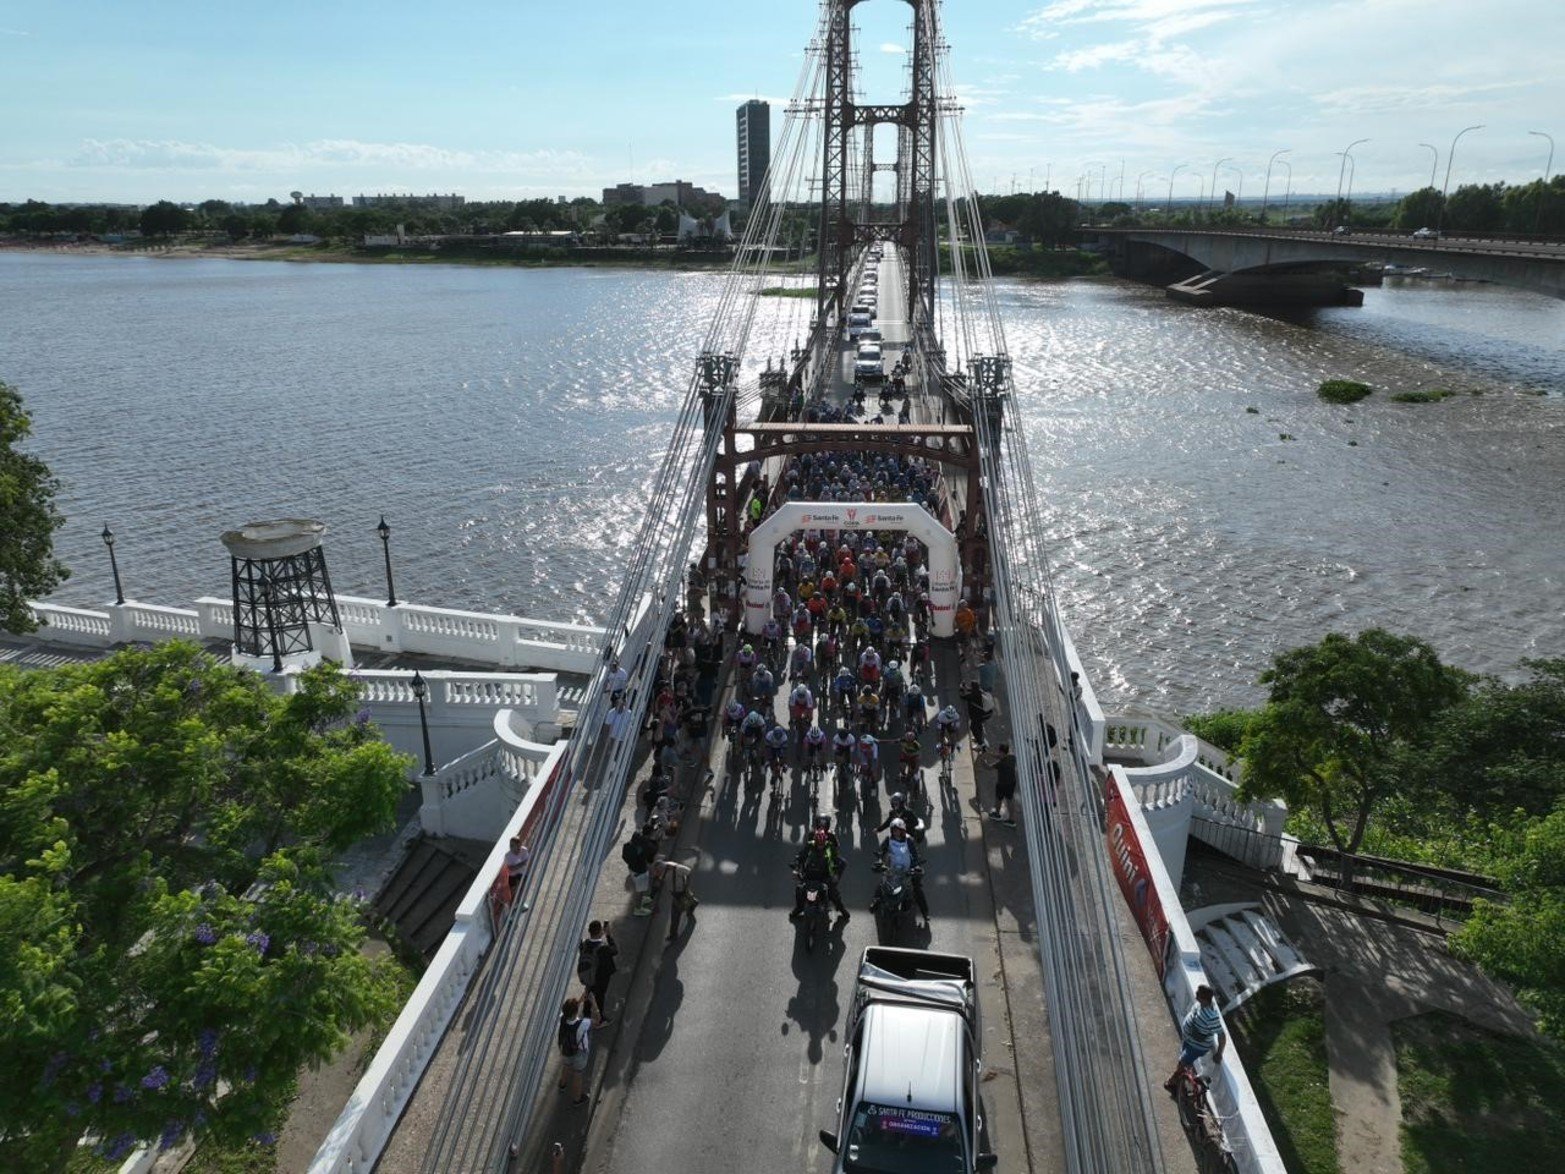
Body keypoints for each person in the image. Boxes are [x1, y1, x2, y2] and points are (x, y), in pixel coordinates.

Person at [1165, 985, 1227, 1093]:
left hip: (1197, 1046)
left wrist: (1219, 1053)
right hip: (1189, 1040)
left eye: (1198, 994)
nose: (1195, 994)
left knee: (1183, 1062)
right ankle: (1182, 1079)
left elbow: (1222, 1035)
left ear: (1204, 998)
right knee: (1184, 1061)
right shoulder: (1200, 1005)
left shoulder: (1211, 1017)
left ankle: (1172, 1082)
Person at [871, 819, 929, 927]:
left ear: (902, 830)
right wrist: (879, 861)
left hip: (907, 871)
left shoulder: (909, 840)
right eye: (894, 830)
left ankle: (925, 913)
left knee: (917, 889)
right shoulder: (888, 840)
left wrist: (916, 866)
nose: (895, 832)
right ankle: (875, 901)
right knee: (882, 884)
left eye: (897, 830)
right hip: (892, 869)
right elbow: (881, 851)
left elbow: (915, 855)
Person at [791, 824, 849, 918]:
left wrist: (836, 875)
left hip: (825, 876)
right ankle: (799, 908)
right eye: (818, 844)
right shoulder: (809, 846)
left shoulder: (830, 847)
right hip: (809, 875)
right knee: (799, 890)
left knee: (833, 893)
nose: (820, 847)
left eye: (822, 844)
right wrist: (796, 869)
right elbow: (800, 857)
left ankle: (841, 909)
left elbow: (838, 860)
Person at [556, 995, 595, 1106]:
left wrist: (579, 1000)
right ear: (575, 1012)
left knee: (566, 1065)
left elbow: (569, 1011)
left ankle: (562, 1084)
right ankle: (577, 1099)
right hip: (580, 1053)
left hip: (566, 1049)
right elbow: (597, 1020)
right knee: (578, 1074)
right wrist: (594, 1004)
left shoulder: (562, 1017)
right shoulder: (583, 1024)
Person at [576, 921, 618, 1026]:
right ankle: (600, 1020)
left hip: (588, 975)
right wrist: (609, 935)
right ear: (601, 931)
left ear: (589, 931)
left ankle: (586, 1014)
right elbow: (615, 950)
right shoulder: (602, 947)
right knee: (600, 997)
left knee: (588, 992)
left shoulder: (584, 944)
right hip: (600, 978)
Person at [652, 856, 697, 942]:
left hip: (680, 891)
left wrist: (687, 885)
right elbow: (658, 882)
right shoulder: (662, 870)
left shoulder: (677, 868)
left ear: (663, 869)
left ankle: (673, 935)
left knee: (675, 915)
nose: (658, 873)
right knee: (686, 900)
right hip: (674, 892)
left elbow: (689, 872)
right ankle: (693, 903)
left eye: (658, 872)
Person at [621, 828, 655, 916]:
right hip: (640, 872)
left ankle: (641, 900)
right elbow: (650, 857)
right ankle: (638, 908)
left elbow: (624, 857)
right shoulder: (643, 848)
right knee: (640, 891)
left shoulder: (627, 845)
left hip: (632, 869)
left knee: (639, 888)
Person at [985, 742, 1018, 826]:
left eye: (999, 752)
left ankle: (997, 814)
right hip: (1012, 782)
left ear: (1002, 752)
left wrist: (984, 762)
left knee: (998, 798)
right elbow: (1000, 757)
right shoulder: (1012, 758)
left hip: (1002, 783)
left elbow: (988, 767)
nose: (998, 753)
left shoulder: (1001, 764)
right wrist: (990, 754)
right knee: (1010, 800)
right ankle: (1012, 820)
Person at [963, 680, 994, 749]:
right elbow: (973, 690)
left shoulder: (972, 696)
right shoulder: (981, 691)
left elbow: (962, 696)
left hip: (982, 715)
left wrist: (961, 688)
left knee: (973, 727)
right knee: (978, 725)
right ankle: (979, 738)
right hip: (988, 713)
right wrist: (966, 688)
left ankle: (981, 744)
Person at [504, 836, 531, 913]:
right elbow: (511, 869)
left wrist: (517, 866)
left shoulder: (524, 850)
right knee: (512, 891)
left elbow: (527, 862)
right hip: (512, 875)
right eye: (510, 845)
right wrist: (522, 864)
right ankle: (511, 908)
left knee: (522, 889)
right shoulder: (508, 856)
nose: (510, 847)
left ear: (519, 845)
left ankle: (520, 904)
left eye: (513, 845)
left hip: (522, 873)